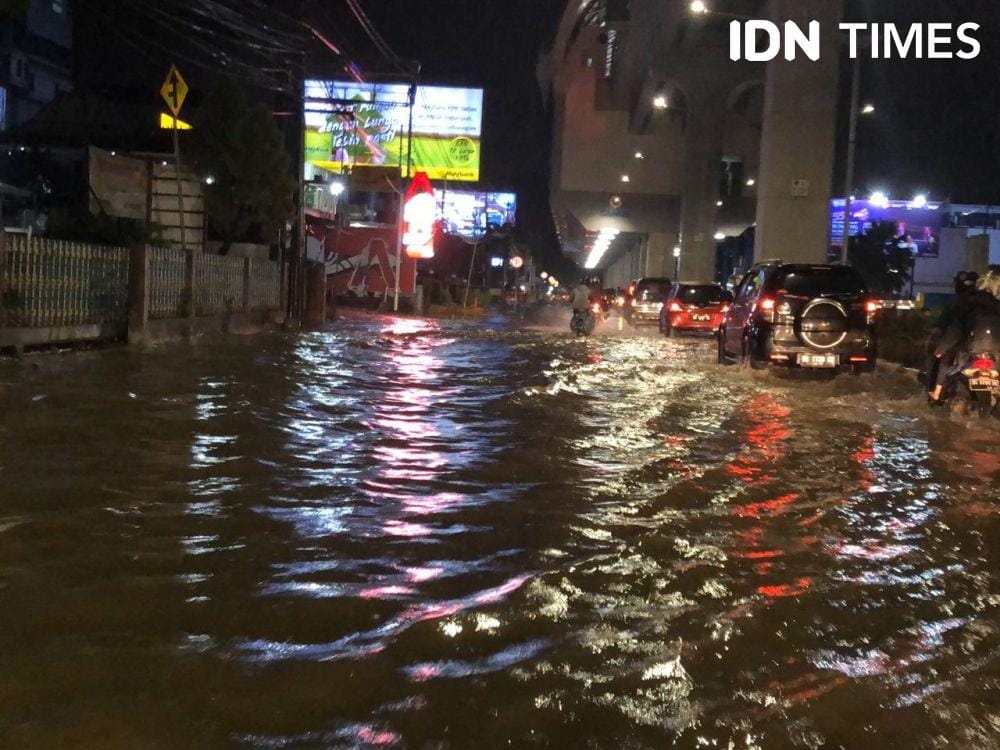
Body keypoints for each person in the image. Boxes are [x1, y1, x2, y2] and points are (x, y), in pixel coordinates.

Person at [930, 268, 1000, 401]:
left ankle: (937, 394)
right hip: (995, 353)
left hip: (972, 350)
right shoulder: (996, 307)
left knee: (945, 360)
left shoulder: (965, 306)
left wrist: (939, 351)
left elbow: (955, 332)